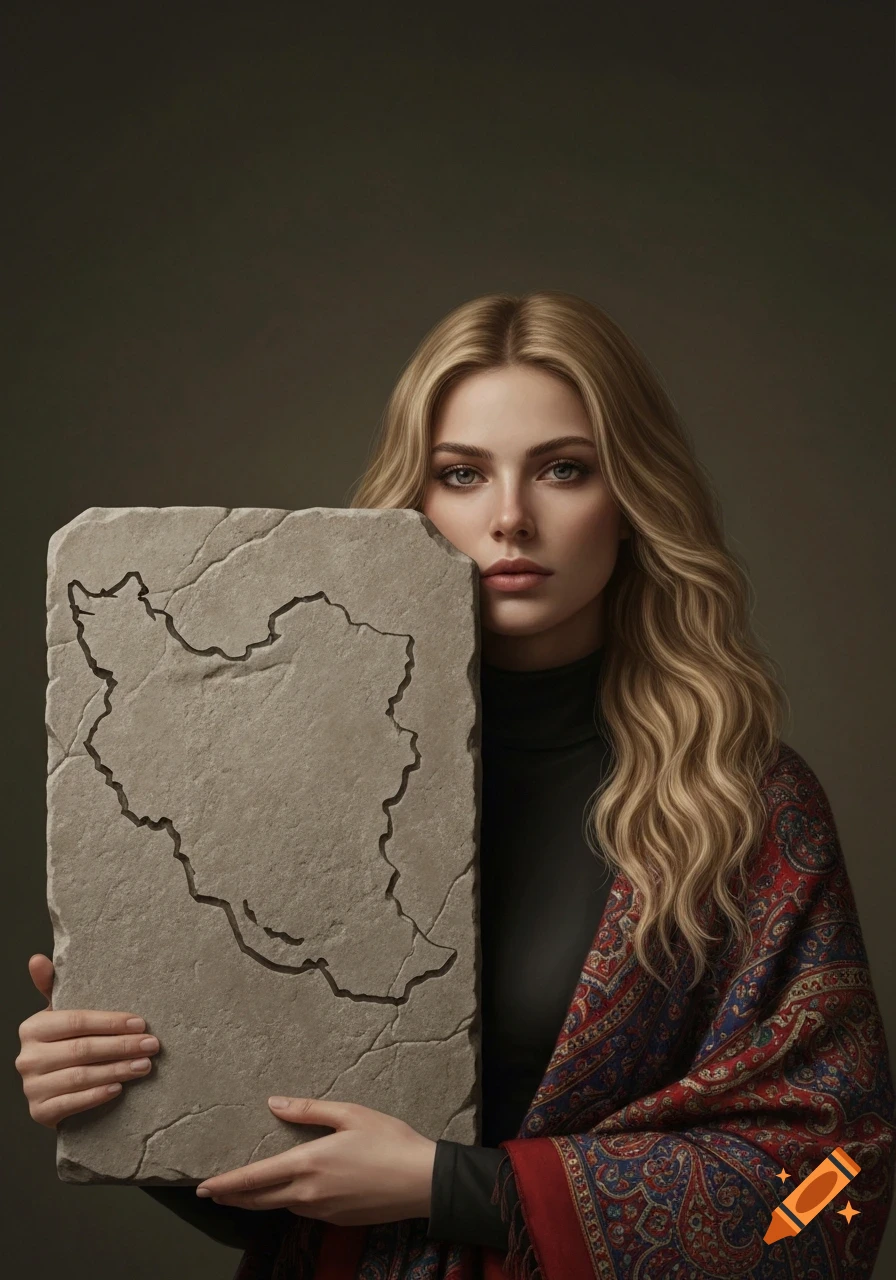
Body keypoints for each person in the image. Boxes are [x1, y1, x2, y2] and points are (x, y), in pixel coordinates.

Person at [17, 291, 895, 1279]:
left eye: (563, 469)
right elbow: (290, 1195)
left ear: (630, 498)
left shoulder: (743, 806)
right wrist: (124, 1097)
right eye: (462, 474)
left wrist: (459, 1188)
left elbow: (833, 1174)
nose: (510, 517)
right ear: (418, 500)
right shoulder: (286, 776)